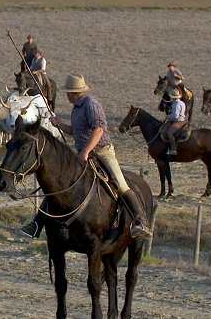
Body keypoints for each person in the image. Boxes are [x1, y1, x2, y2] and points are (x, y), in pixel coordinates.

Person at [20, 74, 152, 241]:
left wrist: (85, 152)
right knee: (59, 184)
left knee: (120, 184)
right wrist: (60, 124)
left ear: (74, 92)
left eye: (68, 92)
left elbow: (99, 130)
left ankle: (141, 221)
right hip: (84, 153)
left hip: (102, 151)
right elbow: (76, 131)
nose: (66, 95)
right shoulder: (77, 107)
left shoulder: (91, 105)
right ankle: (37, 223)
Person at [164, 89, 186, 156]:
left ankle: (173, 150)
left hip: (178, 121)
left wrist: (168, 116)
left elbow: (175, 116)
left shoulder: (176, 104)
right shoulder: (182, 103)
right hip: (183, 120)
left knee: (169, 133)